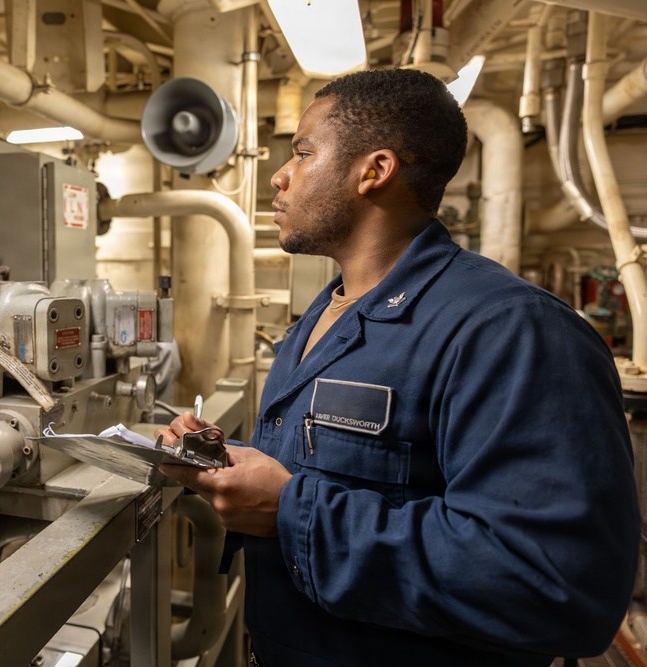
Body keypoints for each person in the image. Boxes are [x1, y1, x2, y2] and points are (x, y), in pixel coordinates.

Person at [156, 68, 640, 667]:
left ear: (375, 171)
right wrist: (225, 462)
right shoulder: (327, 313)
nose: (279, 176)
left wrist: (291, 510)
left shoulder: (511, 332)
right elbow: (325, 471)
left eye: (303, 153)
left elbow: (558, 585)